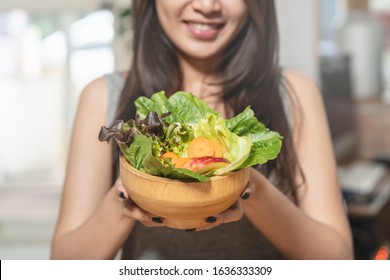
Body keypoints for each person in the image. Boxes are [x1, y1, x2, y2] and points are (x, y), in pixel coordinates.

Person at [51, 0, 353, 260]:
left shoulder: (296, 95)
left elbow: (338, 257)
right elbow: (63, 262)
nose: (207, 6)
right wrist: (127, 198)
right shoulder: (103, 97)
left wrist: (248, 188)